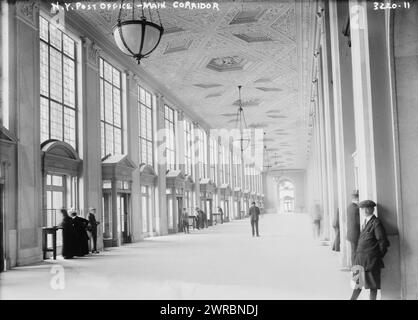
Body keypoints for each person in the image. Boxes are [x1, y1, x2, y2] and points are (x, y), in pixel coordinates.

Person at [350, 200, 390, 300]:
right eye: (362, 209)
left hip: (371, 261)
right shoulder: (365, 222)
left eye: (364, 209)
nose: (363, 211)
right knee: (356, 285)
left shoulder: (376, 223)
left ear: (369, 209)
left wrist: (377, 257)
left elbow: (382, 241)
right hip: (360, 260)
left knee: (373, 287)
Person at [347, 190, 360, 265]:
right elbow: (358, 222)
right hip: (356, 234)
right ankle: (356, 272)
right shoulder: (356, 209)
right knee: (355, 253)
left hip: (351, 234)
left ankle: (354, 271)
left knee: (353, 252)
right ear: (357, 199)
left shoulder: (349, 207)